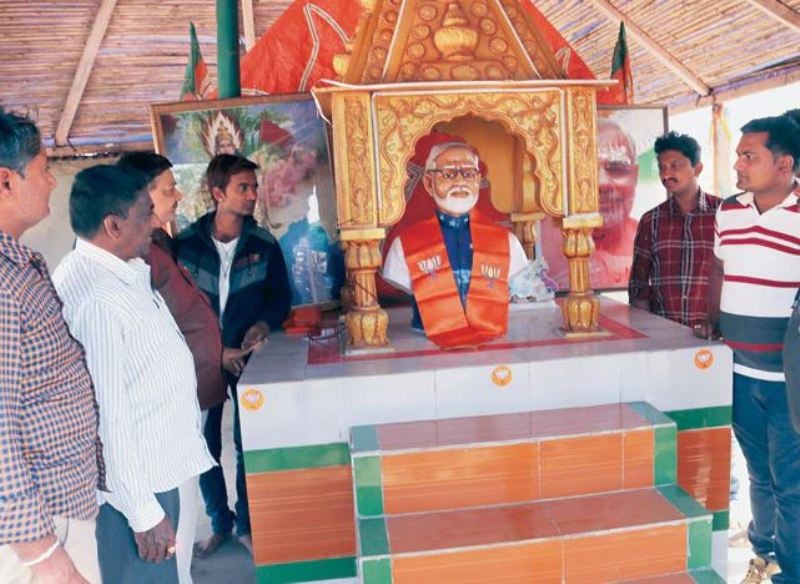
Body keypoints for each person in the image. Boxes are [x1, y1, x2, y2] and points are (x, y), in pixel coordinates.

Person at [53, 165, 215, 584]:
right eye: (147, 214)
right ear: (113, 224)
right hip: (136, 493)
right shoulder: (98, 298)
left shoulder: (121, 272)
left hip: (153, 476)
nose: (158, 222)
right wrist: (143, 513)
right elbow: (107, 417)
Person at [116, 152, 252, 582]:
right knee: (179, 492)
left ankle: (186, 566)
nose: (176, 197)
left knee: (190, 486)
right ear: (139, 197)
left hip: (200, 380)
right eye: (167, 189)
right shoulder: (135, 258)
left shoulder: (159, 245)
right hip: (175, 395)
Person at [0, 109, 103, 584]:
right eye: (43, 171)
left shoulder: (19, 266)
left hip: (59, 511)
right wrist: (43, 556)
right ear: (6, 181)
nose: (51, 184)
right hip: (38, 529)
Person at [696, 114, 800, 584]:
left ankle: (792, 573)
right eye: (738, 154)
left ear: (784, 164)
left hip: (789, 381)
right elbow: (720, 268)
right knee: (758, 474)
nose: (738, 164)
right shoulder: (730, 212)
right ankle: (764, 552)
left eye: (748, 156)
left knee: (792, 485)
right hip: (738, 371)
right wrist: (713, 319)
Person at [176, 154, 291, 557]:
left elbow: (280, 300)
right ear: (218, 193)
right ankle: (219, 523)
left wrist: (263, 324)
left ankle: (246, 524)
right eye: (244, 188)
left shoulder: (263, 244)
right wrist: (213, 349)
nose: (252, 196)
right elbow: (177, 310)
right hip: (205, 359)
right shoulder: (185, 246)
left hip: (247, 357)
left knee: (247, 441)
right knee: (204, 443)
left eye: (254, 188)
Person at [382, 136, 528, 349]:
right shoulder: (403, 246)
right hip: (425, 342)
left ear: (478, 180)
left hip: (491, 343)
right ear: (429, 183)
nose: (460, 181)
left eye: (468, 174)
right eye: (449, 174)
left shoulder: (507, 243)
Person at [628, 131, 720, 327]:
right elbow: (639, 283)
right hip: (665, 332)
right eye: (661, 167)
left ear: (698, 168)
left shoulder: (723, 214)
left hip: (714, 332)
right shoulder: (651, 220)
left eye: (675, 166)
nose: (666, 174)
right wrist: (646, 333)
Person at [541, 117, 640, 289]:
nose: (602, 183)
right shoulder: (540, 240)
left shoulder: (652, 238)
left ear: (635, 176)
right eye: (586, 170)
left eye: (617, 169)